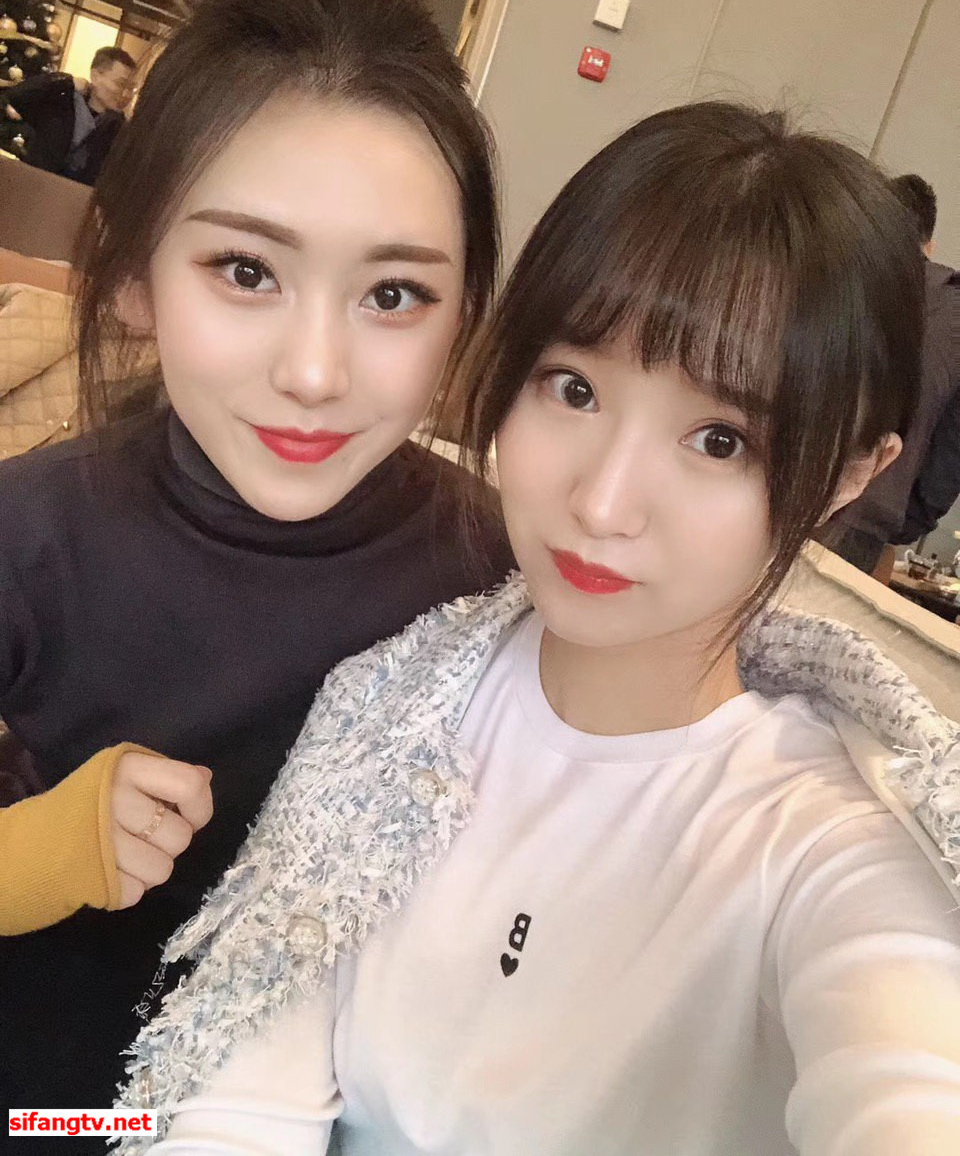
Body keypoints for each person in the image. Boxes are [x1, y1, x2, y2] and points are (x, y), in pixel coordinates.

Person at [124, 104, 960, 1156]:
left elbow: (908, 1082)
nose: (602, 502)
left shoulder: (836, 847)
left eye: (719, 439)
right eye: (574, 388)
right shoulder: (385, 710)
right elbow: (241, 1101)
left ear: (849, 474)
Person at [0, 0, 514, 1141]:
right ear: (136, 276)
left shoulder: (501, 573)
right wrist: (44, 847)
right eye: (246, 269)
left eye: (393, 294)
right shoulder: (32, 532)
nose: (315, 372)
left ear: (463, 314)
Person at [824, 172, 960, 574]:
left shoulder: (832, 278)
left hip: (777, 492)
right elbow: (951, 451)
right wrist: (904, 519)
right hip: (867, 516)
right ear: (929, 245)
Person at [2, 44, 135, 184]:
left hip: (75, 194)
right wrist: (66, 81)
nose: (126, 94)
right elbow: (17, 96)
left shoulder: (120, 130)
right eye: (121, 84)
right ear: (96, 76)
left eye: (131, 88)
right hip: (32, 183)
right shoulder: (62, 102)